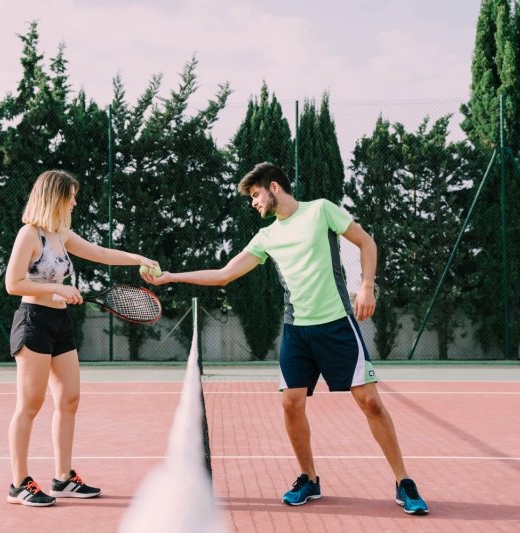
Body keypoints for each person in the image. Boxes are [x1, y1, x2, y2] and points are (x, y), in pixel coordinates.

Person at [141, 162, 429, 515]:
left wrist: (366, 286)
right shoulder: (267, 237)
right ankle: (309, 477)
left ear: (274, 187)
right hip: (297, 330)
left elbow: (365, 242)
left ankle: (403, 481)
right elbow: (223, 275)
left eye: (256, 195)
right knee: (291, 403)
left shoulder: (321, 210)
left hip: (337, 324)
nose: (254, 203)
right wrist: (170, 276)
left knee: (370, 402)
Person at [5, 169, 159, 507]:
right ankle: (18, 484)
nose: (75, 202)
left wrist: (138, 260)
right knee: (30, 404)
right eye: (70, 196)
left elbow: (101, 253)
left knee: (70, 399)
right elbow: (13, 284)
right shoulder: (29, 235)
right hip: (33, 321)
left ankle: (63, 477)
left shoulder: (60, 234)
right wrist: (57, 287)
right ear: (54, 198)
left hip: (59, 322)